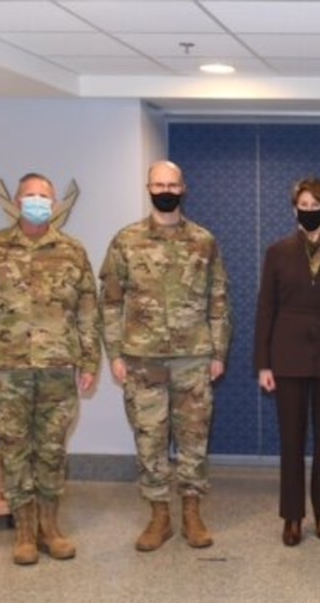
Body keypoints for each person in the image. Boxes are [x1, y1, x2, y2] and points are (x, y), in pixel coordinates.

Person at [0, 172, 100, 565]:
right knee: (15, 450)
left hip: (58, 368)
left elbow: (88, 310)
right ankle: (23, 531)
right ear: (17, 202)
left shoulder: (72, 251)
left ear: (54, 205)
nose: (37, 201)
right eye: (30, 195)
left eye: (44, 196)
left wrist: (89, 361)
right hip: (7, 370)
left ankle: (50, 529)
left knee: (52, 450)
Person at [99, 160, 231, 553]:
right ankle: (159, 516)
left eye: (172, 184)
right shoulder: (126, 241)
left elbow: (219, 300)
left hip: (193, 357)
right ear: (148, 187)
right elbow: (109, 302)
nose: (165, 189)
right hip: (142, 360)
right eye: (158, 183)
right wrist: (115, 353)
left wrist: (218, 351)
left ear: (184, 188)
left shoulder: (204, 240)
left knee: (194, 439)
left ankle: (192, 513)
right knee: (149, 440)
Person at [254, 177, 320, 547]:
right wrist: (263, 364)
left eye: (317, 208)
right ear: (294, 209)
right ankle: (292, 517)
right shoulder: (277, 252)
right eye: (304, 206)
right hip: (288, 357)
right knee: (292, 441)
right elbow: (266, 309)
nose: (310, 213)